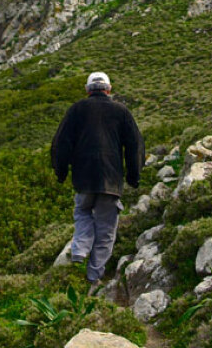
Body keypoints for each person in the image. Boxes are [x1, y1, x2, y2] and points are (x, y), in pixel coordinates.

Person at [51, 71, 144, 289]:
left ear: (87, 90)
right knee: (106, 229)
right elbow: (135, 145)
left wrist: (61, 172)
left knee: (82, 212)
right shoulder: (121, 111)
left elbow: (61, 143)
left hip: (83, 178)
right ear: (109, 89)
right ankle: (94, 276)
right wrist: (134, 176)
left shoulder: (76, 110)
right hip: (111, 181)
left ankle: (79, 251)